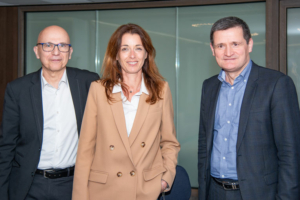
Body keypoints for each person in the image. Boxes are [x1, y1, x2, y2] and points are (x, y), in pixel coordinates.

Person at [72, 23, 180, 200]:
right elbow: (85, 149)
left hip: (144, 191)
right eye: (125, 49)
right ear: (116, 55)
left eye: (138, 48)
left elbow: (170, 142)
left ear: (146, 54)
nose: (132, 55)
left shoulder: (161, 90)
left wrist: (165, 179)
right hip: (103, 191)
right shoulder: (98, 90)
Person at [198, 16, 300, 200]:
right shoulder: (209, 86)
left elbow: (290, 153)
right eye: (221, 46)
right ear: (213, 50)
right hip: (214, 192)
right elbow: (204, 146)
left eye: (235, 44)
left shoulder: (277, 84)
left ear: (250, 45)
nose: (228, 52)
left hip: (258, 193)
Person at [0, 25, 99, 200]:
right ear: (37, 51)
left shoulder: (89, 83)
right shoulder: (18, 90)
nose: (56, 52)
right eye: (48, 45)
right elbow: (6, 146)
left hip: (74, 185)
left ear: (70, 52)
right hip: (29, 186)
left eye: (62, 46)